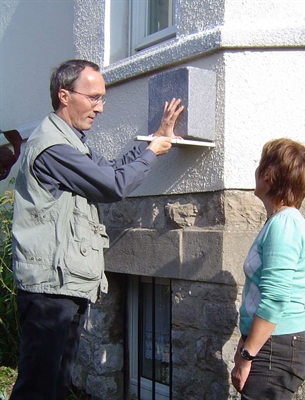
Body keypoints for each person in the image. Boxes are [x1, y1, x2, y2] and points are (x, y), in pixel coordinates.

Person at [10, 59, 184, 400]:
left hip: (63, 286)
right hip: (49, 291)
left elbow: (110, 168)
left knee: (56, 386)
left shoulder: (72, 143)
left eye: (102, 99)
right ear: (64, 95)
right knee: (37, 389)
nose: (100, 108)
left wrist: (154, 142)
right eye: (93, 98)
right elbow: (112, 185)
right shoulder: (52, 146)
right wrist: (152, 153)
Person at [231, 138, 305, 400]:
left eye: (260, 164)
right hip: (272, 343)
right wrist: (245, 344)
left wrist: (247, 356)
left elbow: (275, 298)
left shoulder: (285, 225)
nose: (256, 170)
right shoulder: (278, 222)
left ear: (269, 174)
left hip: (278, 346)